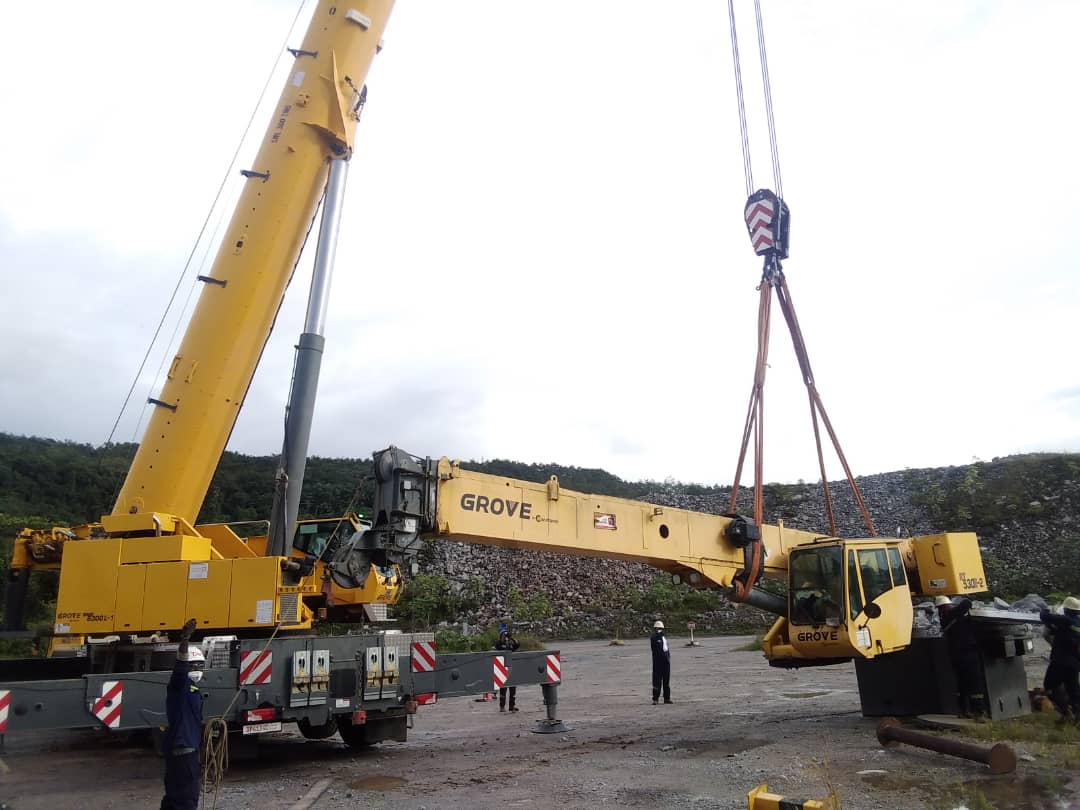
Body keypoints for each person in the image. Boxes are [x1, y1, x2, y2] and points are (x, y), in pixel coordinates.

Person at [161, 618, 205, 810]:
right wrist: (185, 640)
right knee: (186, 801)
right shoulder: (180, 685)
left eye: (199, 666)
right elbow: (180, 667)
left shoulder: (194, 690)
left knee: (173, 800)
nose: (196, 669)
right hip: (183, 752)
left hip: (184, 751)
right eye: (193, 665)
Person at [935, 596, 985, 718]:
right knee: (974, 683)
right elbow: (967, 603)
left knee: (962, 685)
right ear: (947, 606)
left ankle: (963, 711)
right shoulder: (952, 615)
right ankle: (978, 712)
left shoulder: (945, 619)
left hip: (955, 655)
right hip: (967, 653)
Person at [1039, 596, 1080, 722]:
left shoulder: (1064, 620)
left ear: (1066, 609)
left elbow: (1045, 617)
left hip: (1060, 661)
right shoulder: (1076, 623)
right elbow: (1064, 633)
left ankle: (1065, 711)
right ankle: (1077, 715)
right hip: (1075, 663)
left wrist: (1045, 609)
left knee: (1049, 686)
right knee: (1073, 689)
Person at [494, 628, 520, 712]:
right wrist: (502, 640)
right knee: (503, 689)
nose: (505, 637)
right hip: (502, 668)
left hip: (511, 668)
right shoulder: (499, 643)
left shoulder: (511, 643)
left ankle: (512, 706)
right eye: (503, 635)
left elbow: (517, 645)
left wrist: (511, 638)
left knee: (513, 690)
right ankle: (502, 706)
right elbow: (497, 646)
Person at [650, 620, 672, 705]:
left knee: (666, 681)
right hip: (657, 662)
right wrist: (659, 635)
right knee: (657, 681)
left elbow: (666, 649)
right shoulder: (654, 637)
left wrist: (668, 658)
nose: (659, 630)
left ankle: (667, 698)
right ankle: (655, 699)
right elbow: (656, 648)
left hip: (666, 661)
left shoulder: (663, 637)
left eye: (661, 629)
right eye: (658, 629)